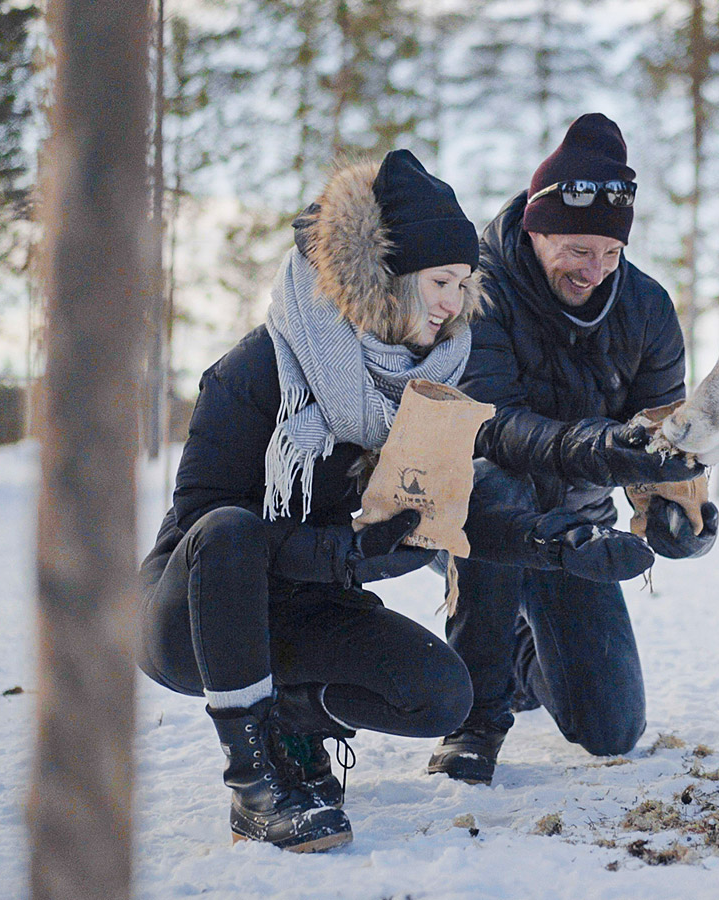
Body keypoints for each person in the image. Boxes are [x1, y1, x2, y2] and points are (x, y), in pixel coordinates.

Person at [137, 150, 485, 853]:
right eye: (442, 281)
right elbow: (204, 528)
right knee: (231, 527)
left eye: (466, 284)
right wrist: (343, 551)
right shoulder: (257, 370)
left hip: (302, 604)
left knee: (442, 694)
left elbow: (447, 506)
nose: (454, 303)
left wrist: (552, 541)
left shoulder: (418, 387)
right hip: (193, 617)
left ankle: (289, 715)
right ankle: (254, 784)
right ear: (389, 279)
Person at [427, 113, 719, 785]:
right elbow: (488, 425)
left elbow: (662, 433)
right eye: (579, 251)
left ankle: (522, 645)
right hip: (480, 520)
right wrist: (608, 448)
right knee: (491, 483)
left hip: (578, 535)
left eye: (611, 253)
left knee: (610, 730)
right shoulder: (476, 291)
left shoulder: (646, 309)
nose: (595, 270)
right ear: (536, 230)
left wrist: (679, 515)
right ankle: (475, 718)